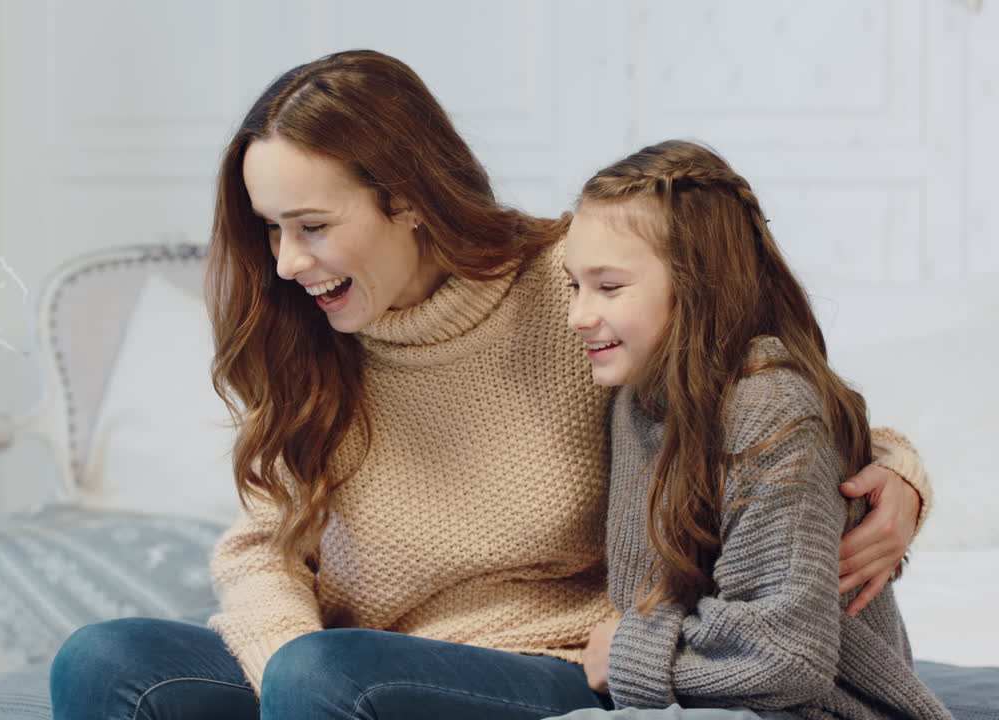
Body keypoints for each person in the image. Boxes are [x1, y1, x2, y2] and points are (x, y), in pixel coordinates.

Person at [49, 51, 930, 720]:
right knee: (101, 659)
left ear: (411, 201)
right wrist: (283, 658)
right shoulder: (309, 339)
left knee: (326, 676)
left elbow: (745, 382)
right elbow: (261, 549)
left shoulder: (572, 288)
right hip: (353, 660)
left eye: (313, 226)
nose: (286, 263)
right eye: (271, 229)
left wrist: (898, 474)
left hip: (553, 658)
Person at [550, 140, 949, 719]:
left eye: (608, 287)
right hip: (699, 701)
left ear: (697, 283)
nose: (578, 316)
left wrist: (628, 654)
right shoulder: (640, 393)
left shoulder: (770, 405)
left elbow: (786, 656)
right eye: (573, 285)